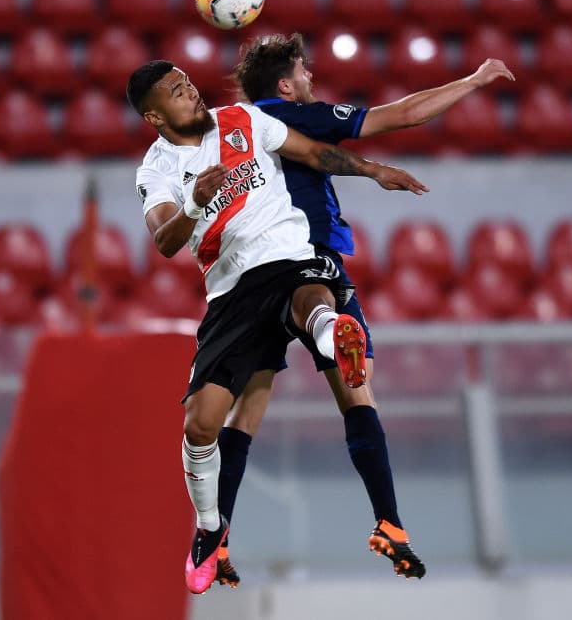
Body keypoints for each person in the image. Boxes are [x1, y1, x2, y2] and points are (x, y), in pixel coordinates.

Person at [208, 33, 516, 581]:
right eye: (304, 72)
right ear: (284, 84)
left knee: (248, 404)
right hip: (307, 258)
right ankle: (388, 521)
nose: (311, 81)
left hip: (250, 274)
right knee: (356, 389)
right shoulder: (291, 115)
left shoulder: (236, 131)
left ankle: (218, 534)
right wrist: (471, 81)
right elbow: (399, 115)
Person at [125, 60, 428, 594]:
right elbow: (166, 241)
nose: (190, 92)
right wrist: (196, 202)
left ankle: (331, 331)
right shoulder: (157, 169)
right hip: (232, 289)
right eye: (176, 91)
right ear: (155, 115)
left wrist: (373, 169)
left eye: (188, 82)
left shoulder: (242, 119)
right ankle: (209, 529)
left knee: (311, 297)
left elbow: (314, 153)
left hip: (289, 254)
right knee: (200, 426)